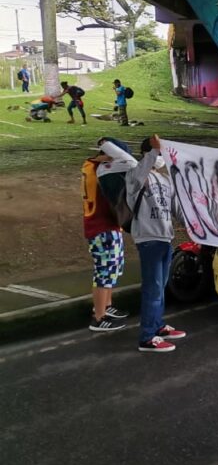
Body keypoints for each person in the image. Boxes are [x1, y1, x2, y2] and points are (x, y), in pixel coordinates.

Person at [118, 134, 186, 353]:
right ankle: (147, 336)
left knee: (160, 286)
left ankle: (157, 325)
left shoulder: (166, 180)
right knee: (153, 287)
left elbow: (177, 210)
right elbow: (140, 173)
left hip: (165, 238)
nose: (161, 156)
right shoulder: (135, 176)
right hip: (148, 238)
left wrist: (197, 228)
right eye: (158, 152)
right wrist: (154, 150)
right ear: (149, 153)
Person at [83, 142, 131, 332]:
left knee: (113, 268)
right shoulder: (102, 170)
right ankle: (98, 316)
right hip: (101, 227)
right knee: (104, 271)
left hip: (109, 226)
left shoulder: (91, 165)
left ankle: (106, 306)